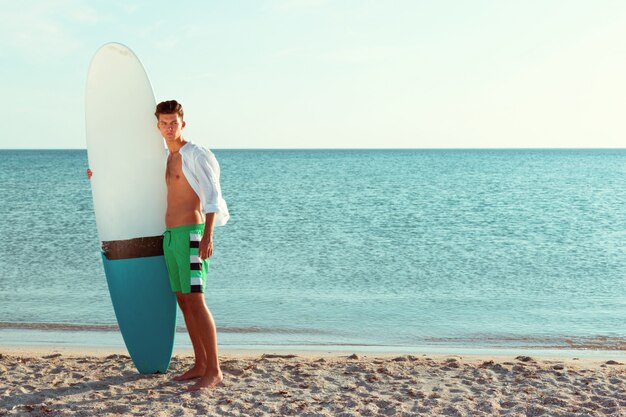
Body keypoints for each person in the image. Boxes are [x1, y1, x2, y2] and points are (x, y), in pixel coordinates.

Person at [88, 100, 229, 391]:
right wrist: (99, 178)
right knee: (184, 300)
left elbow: (213, 196)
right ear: (158, 126)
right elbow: (133, 181)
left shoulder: (196, 154)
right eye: (164, 123)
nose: (168, 128)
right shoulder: (165, 158)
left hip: (192, 234)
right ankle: (200, 363)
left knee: (197, 300)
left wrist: (208, 236)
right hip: (171, 237)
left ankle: (214, 370)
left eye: (173, 123)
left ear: (183, 124)